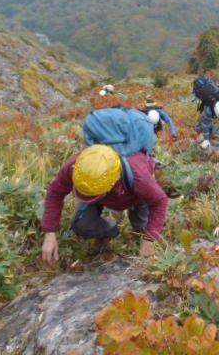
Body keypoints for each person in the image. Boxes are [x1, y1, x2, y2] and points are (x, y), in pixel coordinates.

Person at [41, 108, 169, 263]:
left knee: (142, 226)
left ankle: (137, 220)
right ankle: (110, 231)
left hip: (135, 195)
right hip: (105, 192)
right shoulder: (76, 165)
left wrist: (150, 239)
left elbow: (160, 201)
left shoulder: (138, 175)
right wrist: (49, 232)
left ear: (111, 184)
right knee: (82, 225)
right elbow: (55, 192)